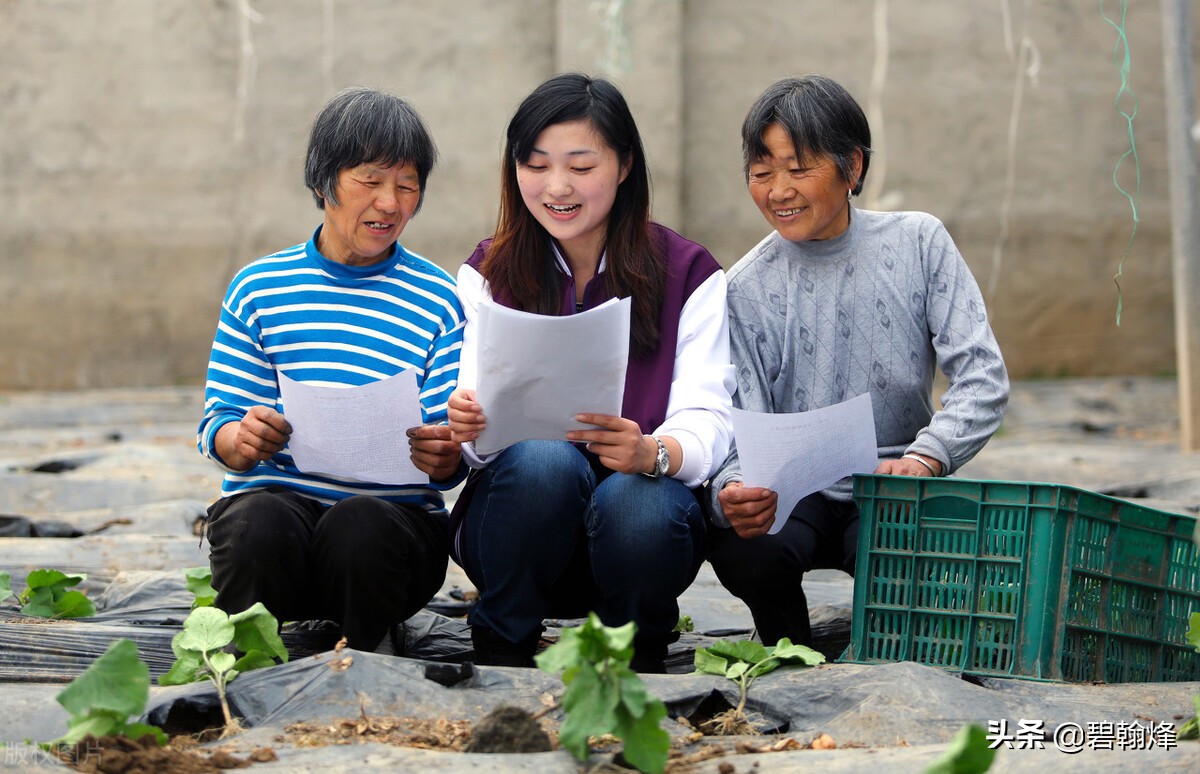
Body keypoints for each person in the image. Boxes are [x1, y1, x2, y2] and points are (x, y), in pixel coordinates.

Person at [706, 75, 1009, 647]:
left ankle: (896, 647)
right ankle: (786, 652)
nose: (779, 191)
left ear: (853, 167)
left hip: (893, 480)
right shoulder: (743, 287)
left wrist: (926, 458)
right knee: (741, 543)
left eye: (799, 169)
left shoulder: (919, 243)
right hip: (793, 494)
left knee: (910, 554)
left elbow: (983, 378)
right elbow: (737, 422)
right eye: (762, 171)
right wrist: (737, 488)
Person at [447, 73, 735, 672]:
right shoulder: (487, 270)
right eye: (536, 164)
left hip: (640, 537)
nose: (557, 187)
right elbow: (471, 437)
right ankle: (503, 641)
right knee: (541, 462)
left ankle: (636, 651)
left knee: (639, 500)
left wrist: (655, 452)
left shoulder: (688, 272)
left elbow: (710, 413)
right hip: (521, 527)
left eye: (581, 167)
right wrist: (469, 424)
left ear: (625, 165)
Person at [197, 88, 465, 652]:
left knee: (358, 526)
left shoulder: (439, 299)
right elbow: (218, 423)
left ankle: (365, 654)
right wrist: (241, 438)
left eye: (407, 185)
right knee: (256, 523)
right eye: (370, 181)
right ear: (323, 183)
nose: (390, 203)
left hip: (391, 531)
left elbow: (450, 449)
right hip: (280, 521)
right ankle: (254, 660)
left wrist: (445, 457)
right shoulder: (260, 289)